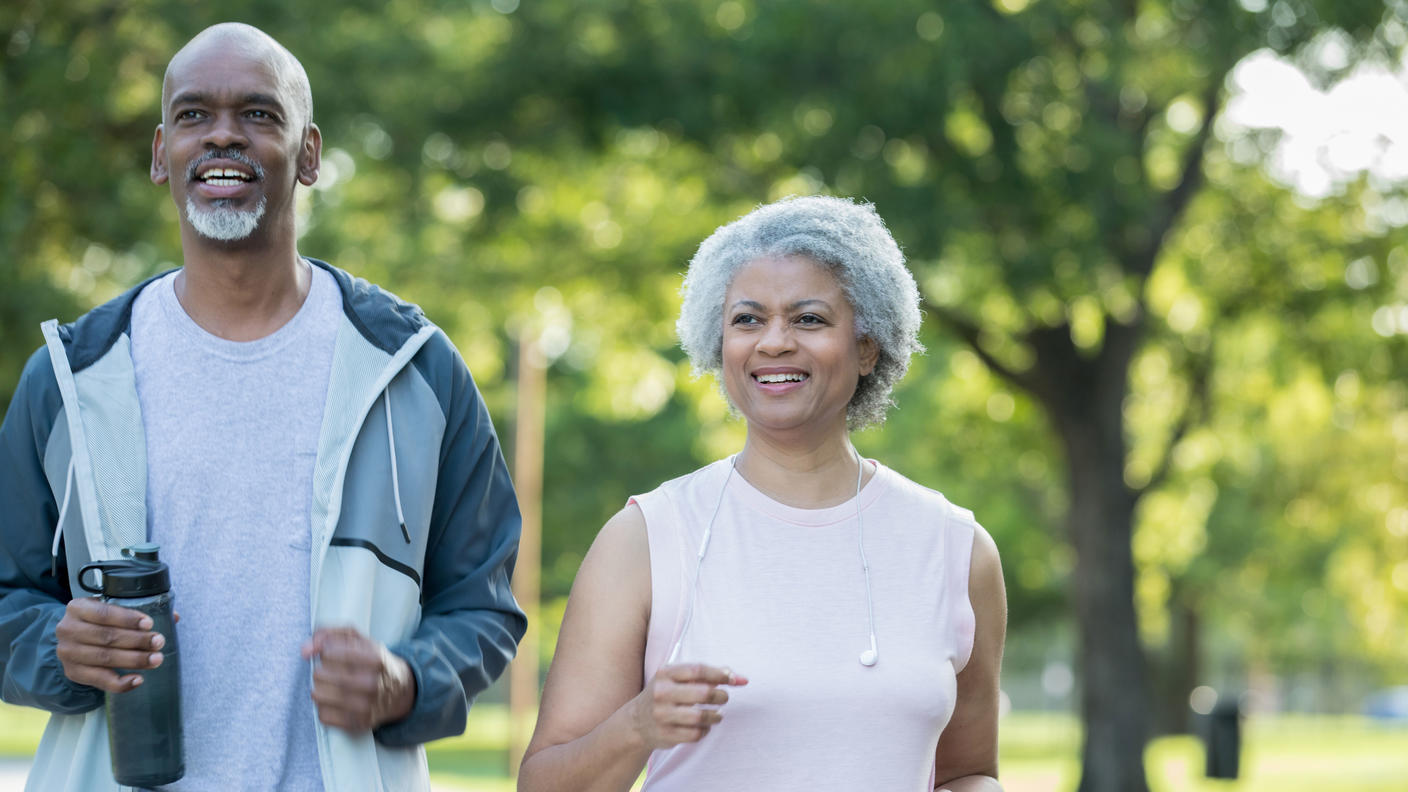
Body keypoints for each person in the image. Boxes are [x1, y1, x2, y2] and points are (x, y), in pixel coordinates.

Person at [0, 23, 525, 791]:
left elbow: (484, 601)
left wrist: (407, 680)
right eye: (192, 116)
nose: (222, 137)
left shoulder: (413, 369)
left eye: (257, 114)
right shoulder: (71, 377)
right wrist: (56, 645)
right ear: (159, 155)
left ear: (309, 154)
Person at [519, 195, 1007, 791]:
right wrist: (637, 725)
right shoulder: (645, 538)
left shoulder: (957, 548)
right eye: (747, 320)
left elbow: (970, 774)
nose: (773, 342)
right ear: (718, 343)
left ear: (867, 346)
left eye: (808, 319)